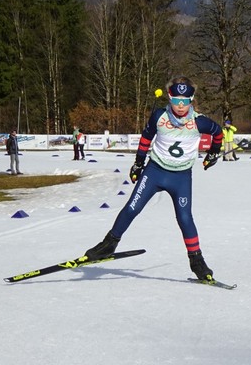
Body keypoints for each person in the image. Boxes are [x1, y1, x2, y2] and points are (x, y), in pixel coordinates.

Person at [84, 76, 224, 281]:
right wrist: (138, 164)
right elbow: (146, 137)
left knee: (185, 218)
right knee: (132, 207)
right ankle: (108, 245)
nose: (181, 105)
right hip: (155, 172)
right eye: (176, 100)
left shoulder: (199, 121)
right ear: (169, 97)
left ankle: (197, 261)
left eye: (185, 101)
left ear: (191, 100)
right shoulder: (159, 115)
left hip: (181, 177)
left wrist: (213, 153)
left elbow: (218, 133)